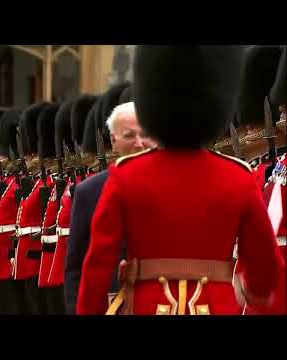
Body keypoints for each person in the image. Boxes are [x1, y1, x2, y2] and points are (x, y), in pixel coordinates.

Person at [77, 46, 284, 315]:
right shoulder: (238, 178)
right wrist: (256, 290)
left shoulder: (126, 176)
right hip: (217, 305)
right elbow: (266, 265)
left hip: (147, 305)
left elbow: (98, 264)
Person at [64, 101, 156, 314]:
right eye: (129, 136)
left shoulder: (173, 183)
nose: (139, 143)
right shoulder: (89, 191)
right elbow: (76, 265)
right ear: (113, 141)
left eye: (145, 134)